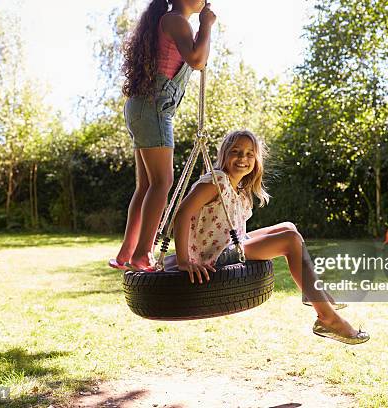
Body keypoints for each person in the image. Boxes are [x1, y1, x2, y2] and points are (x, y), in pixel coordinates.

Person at [174, 130, 370, 345]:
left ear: (256, 159)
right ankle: (327, 318)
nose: (243, 158)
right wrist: (184, 261)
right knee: (290, 240)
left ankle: (316, 292)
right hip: (214, 256)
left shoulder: (238, 187)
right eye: (236, 152)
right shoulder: (216, 181)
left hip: (231, 243)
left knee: (288, 227)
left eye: (250, 154)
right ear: (224, 155)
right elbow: (182, 214)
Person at [109, 0, 217, 272]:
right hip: (154, 108)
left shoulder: (168, 21)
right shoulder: (176, 20)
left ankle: (126, 254)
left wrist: (204, 27)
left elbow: (195, 59)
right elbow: (196, 60)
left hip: (142, 106)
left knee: (146, 186)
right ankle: (142, 254)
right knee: (162, 182)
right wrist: (206, 24)